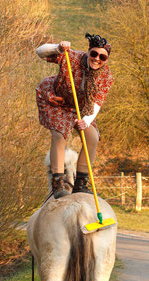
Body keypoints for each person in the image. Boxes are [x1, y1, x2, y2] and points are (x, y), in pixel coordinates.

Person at [36, 33, 114, 199]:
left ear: (106, 59)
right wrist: (57, 47)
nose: (97, 59)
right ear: (88, 51)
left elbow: (97, 103)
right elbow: (40, 52)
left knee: (92, 137)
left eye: (102, 57)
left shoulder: (106, 77)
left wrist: (85, 122)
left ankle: (80, 184)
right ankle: (58, 184)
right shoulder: (71, 56)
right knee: (60, 133)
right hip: (56, 100)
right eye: (94, 53)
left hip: (81, 108)